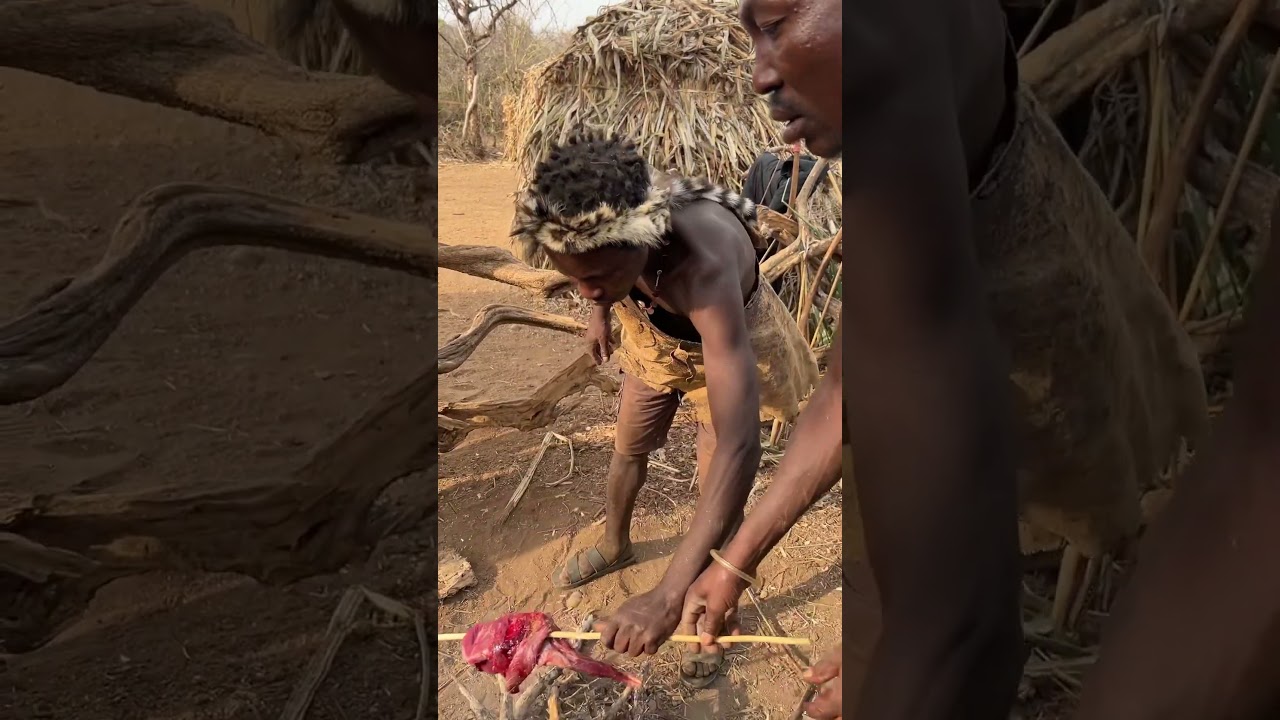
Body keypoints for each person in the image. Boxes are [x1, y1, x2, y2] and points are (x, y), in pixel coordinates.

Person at [678, 0, 1210, 717]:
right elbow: (848, 384)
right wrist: (735, 564)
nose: (759, 76)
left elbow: (964, 634)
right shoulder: (905, 74)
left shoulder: (889, 57)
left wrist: (904, 667)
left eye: (774, 25)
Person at [508, 130, 820, 686]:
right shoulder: (608, 244)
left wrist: (666, 596)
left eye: (598, 279)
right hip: (654, 335)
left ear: (645, 240)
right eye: (575, 279)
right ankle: (614, 543)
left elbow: (739, 447)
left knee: (716, 478)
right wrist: (603, 309)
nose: (586, 290)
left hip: (725, 346)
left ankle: (712, 615)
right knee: (627, 448)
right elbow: (595, 272)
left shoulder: (704, 272)